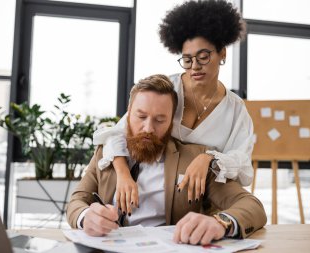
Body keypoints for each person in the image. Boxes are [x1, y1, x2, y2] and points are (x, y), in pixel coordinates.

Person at [93, 0, 254, 216]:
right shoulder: (167, 90)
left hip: (201, 208)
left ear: (222, 53)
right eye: (187, 59)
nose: (195, 66)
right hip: (147, 198)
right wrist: (123, 175)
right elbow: (118, 133)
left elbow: (242, 165)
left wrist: (208, 158)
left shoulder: (235, 110)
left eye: (203, 56)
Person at [67, 74, 267, 245]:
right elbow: (77, 201)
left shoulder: (194, 159)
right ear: (128, 115)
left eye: (160, 120)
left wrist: (221, 223)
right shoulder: (107, 153)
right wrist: (86, 218)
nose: (148, 128)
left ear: (172, 122)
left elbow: (252, 206)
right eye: (141, 116)